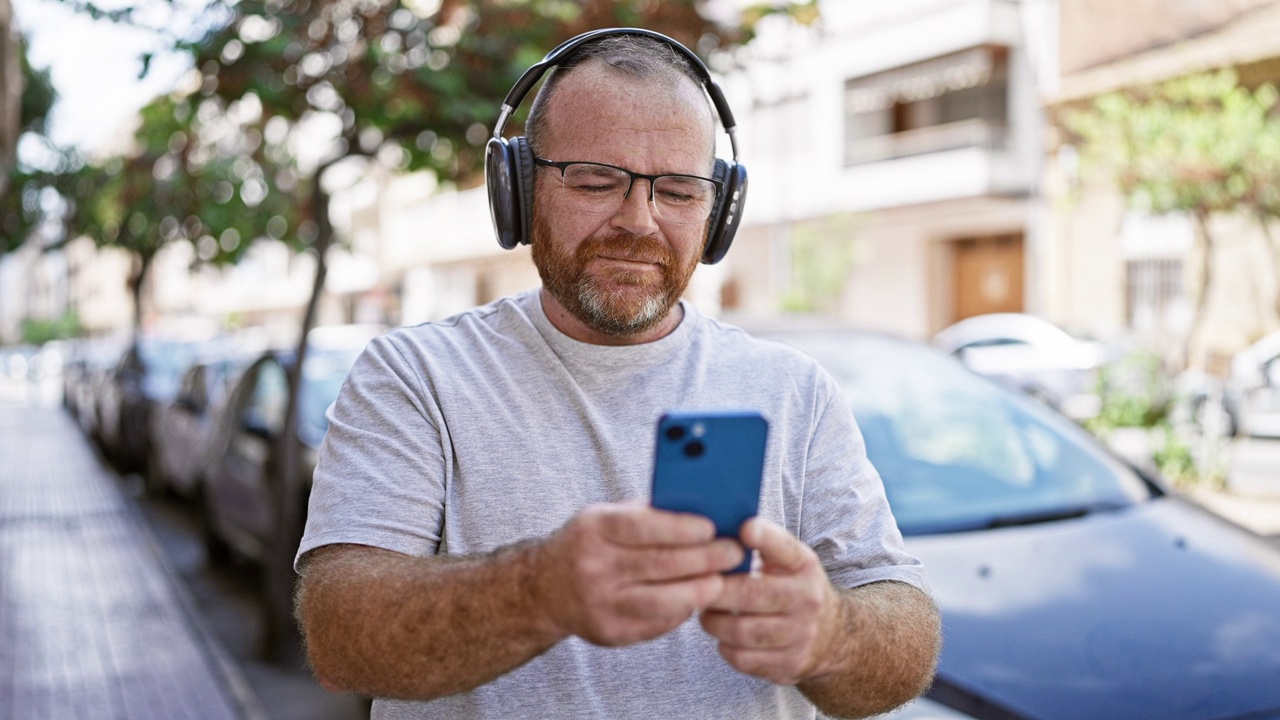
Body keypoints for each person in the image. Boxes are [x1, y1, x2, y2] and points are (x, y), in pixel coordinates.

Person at [294, 28, 941, 720]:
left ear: (718, 213)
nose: (639, 221)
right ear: (517, 189)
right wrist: (539, 591)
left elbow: (905, 631)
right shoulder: (415, 376)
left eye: (680, 192)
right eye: (596, 181)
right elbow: (340, 637)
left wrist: (830, 637)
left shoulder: (796, 391)